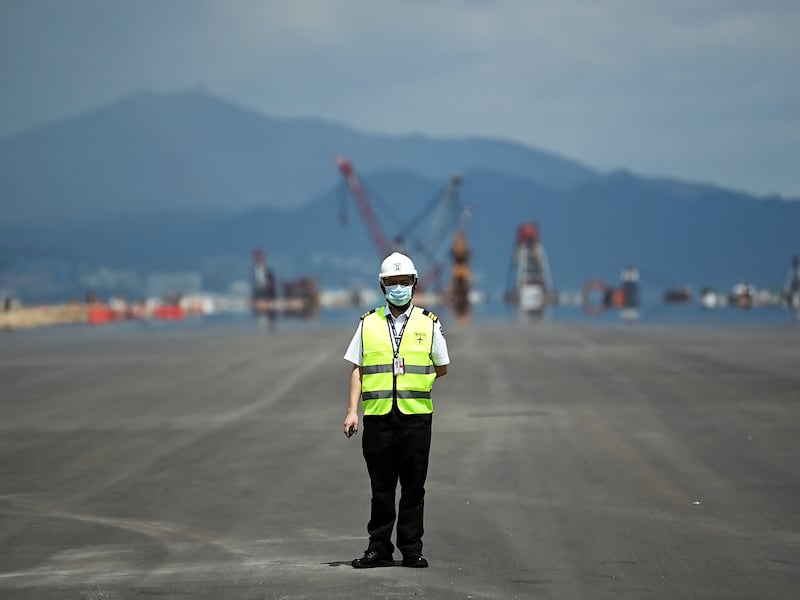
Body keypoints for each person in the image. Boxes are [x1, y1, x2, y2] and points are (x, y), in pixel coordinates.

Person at [343, 252, 450, 569]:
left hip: (416, 417)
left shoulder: (429, 323)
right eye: (392, 282)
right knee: (382, 488)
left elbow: (441, 367)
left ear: (414, 284)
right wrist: (352, 412)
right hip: (378, 417)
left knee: (414, 487)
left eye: (404, 282)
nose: (399, 287)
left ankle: (411, 548)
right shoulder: (368, 323)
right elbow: (357, 370)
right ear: (382, 286)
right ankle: (379, 548)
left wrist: (420, 382)